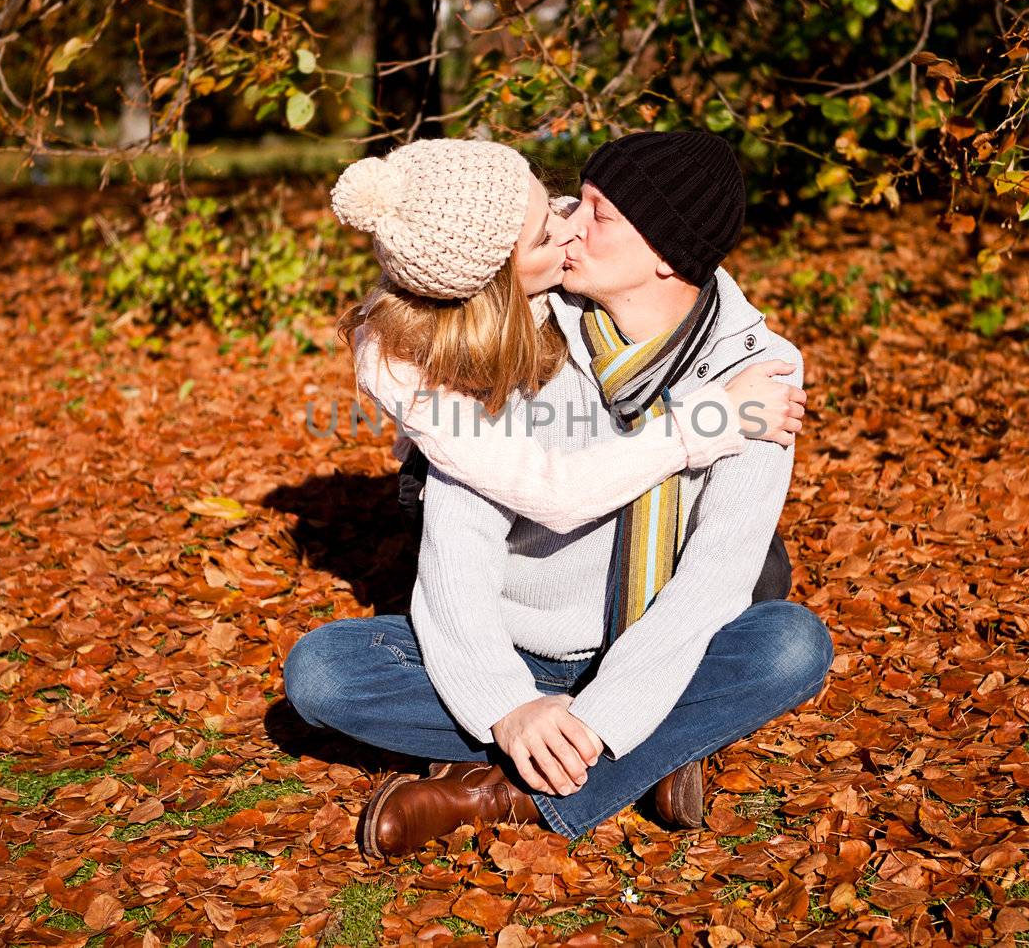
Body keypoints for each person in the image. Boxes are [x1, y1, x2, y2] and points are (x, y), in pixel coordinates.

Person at [283, 131, 834, 858]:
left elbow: (714, 583)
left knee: (793, 645)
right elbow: (459, 541)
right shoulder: (531, 327)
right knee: (321, 672)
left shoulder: (759, 372)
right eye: (578, 202)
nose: (572, 224)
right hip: (523, 643)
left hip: (659, 649)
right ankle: (658, 752)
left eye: (599, 214)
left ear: (667, 255)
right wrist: (507, 703)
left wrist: (608, 711)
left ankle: (501, 792)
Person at [328, 138, 805, 537]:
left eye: (557, 203)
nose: (567, 227)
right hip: (514, 500)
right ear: (497, 288)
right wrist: (712, 418)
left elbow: (653, 234)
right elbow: (553, 493)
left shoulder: (532, 228)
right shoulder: (411, 376)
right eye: (542, 238)